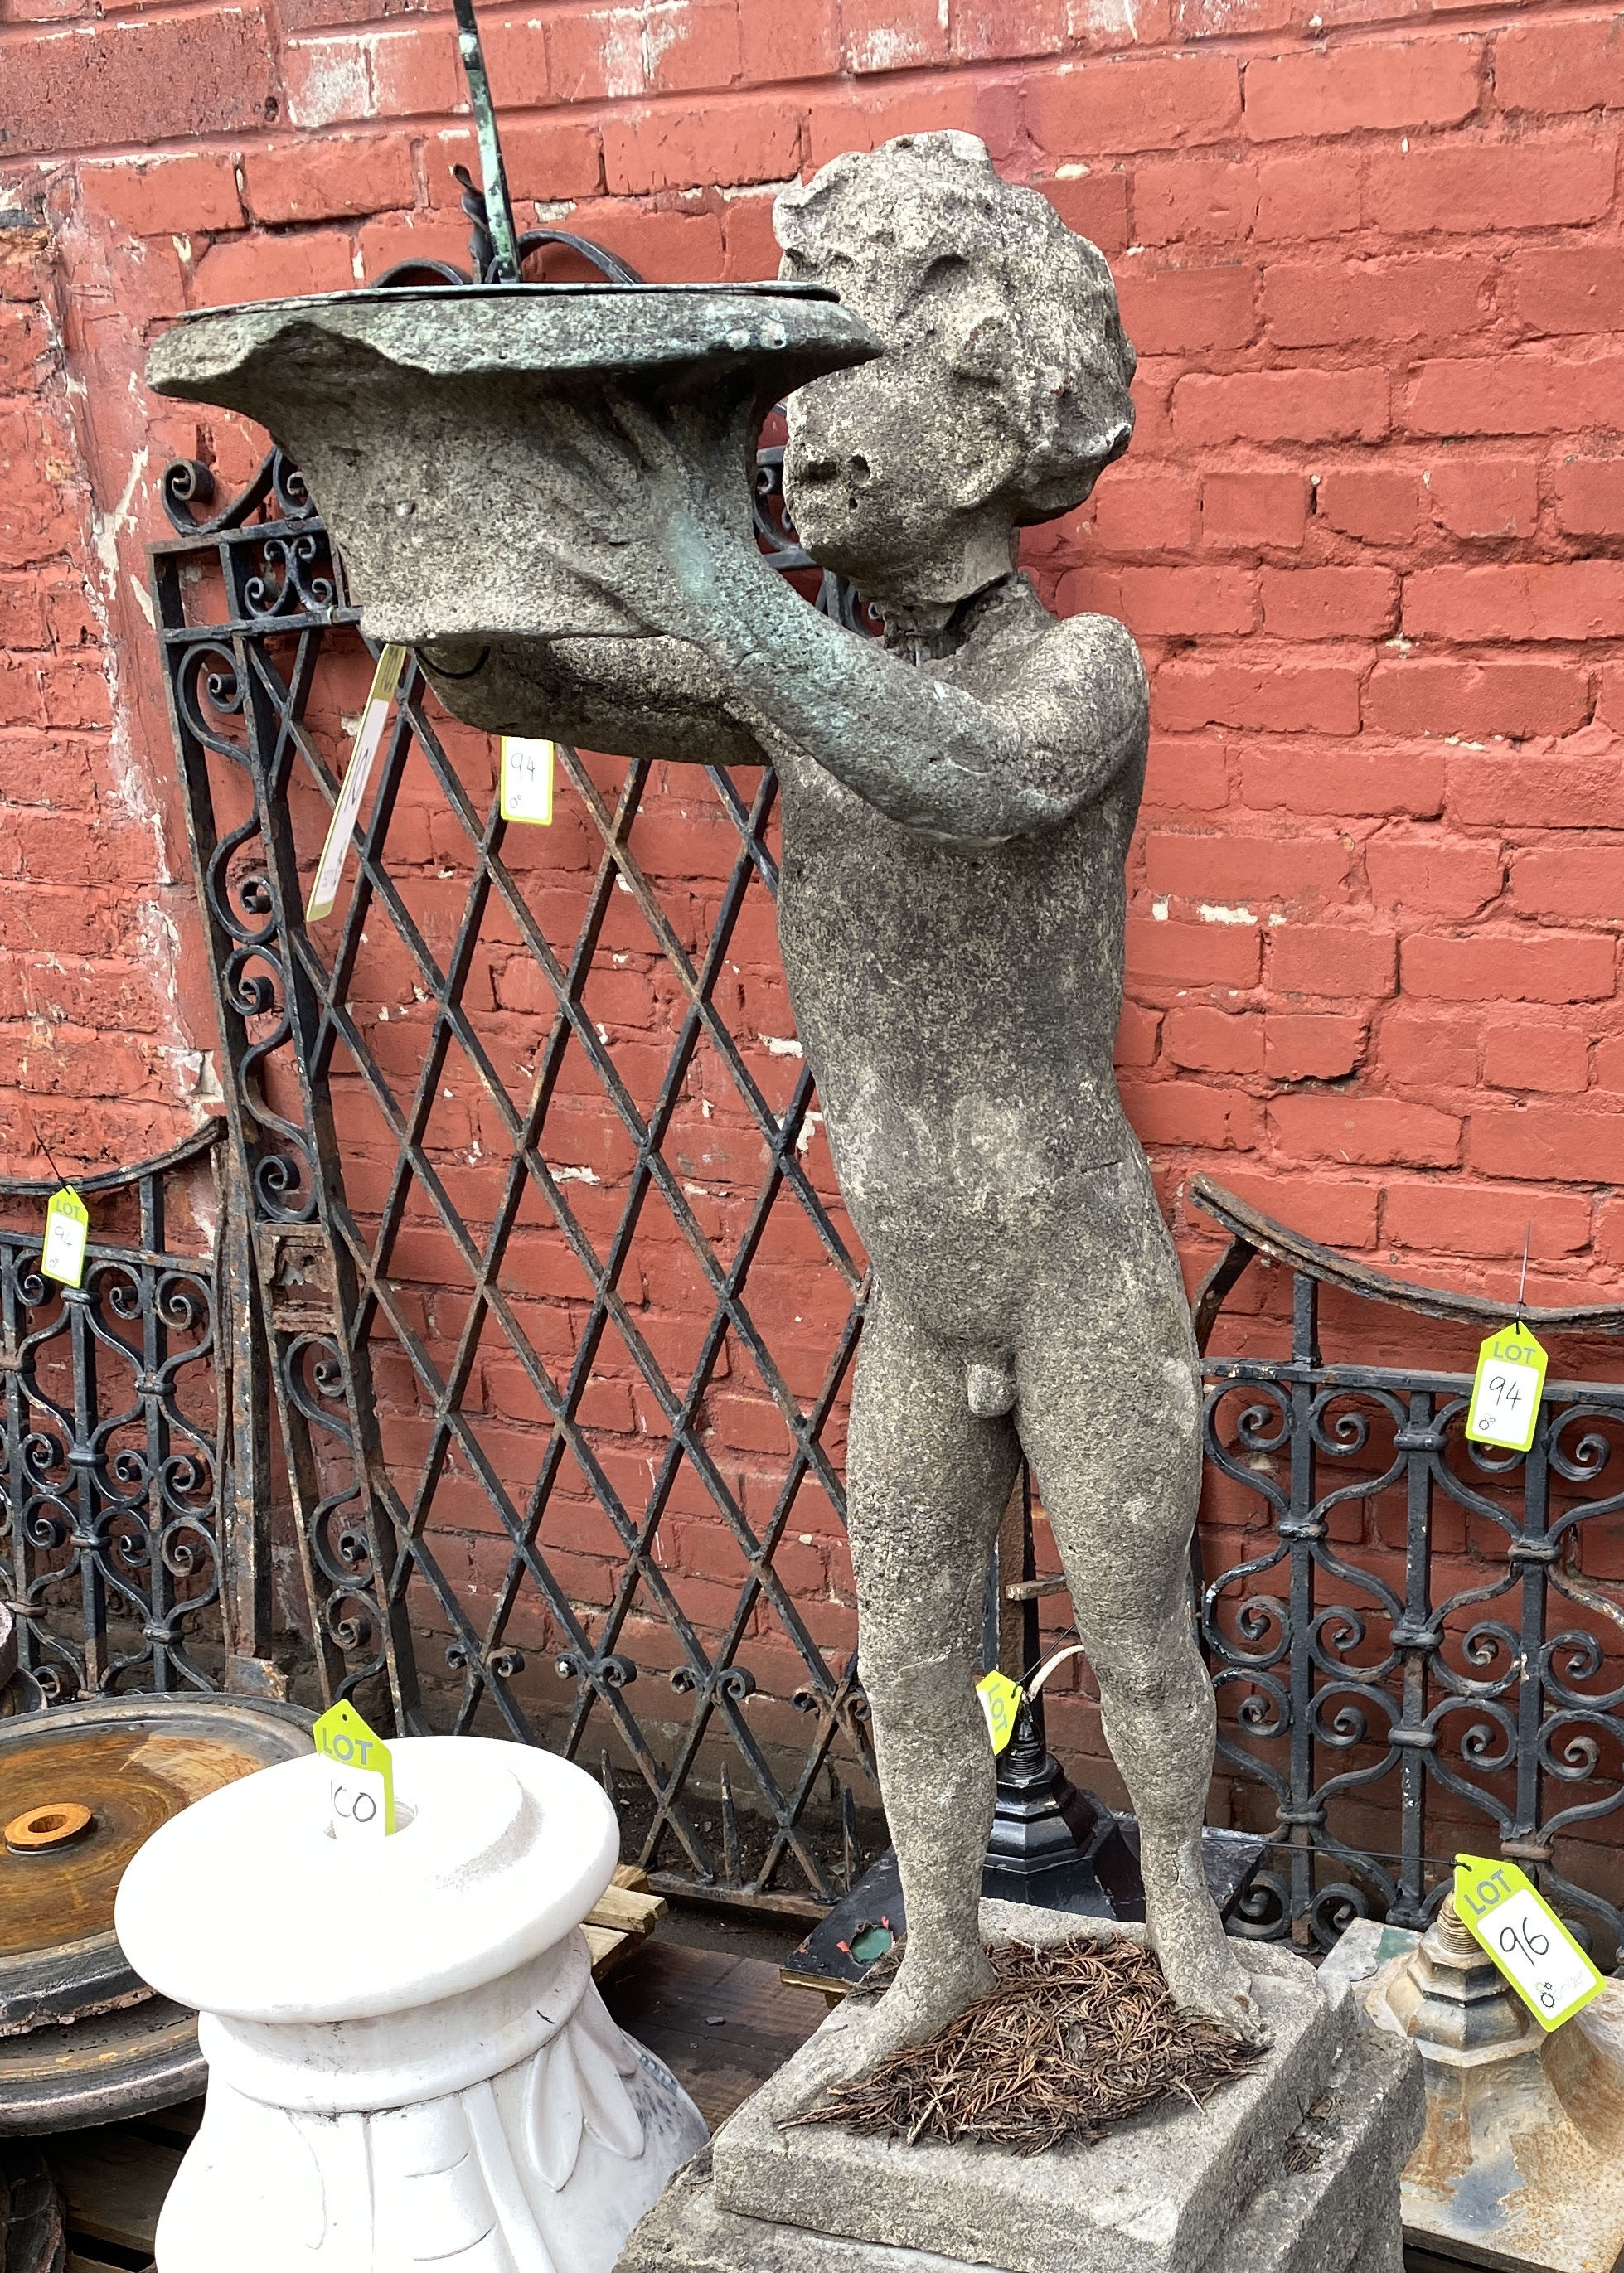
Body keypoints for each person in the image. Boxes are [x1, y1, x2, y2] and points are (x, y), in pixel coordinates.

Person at [422, 130, 1250, 2065]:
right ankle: (944, 1952)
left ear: (988, 411)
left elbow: (962, 772)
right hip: (917, 1291)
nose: (801, 430)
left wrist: (711, 580)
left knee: (1134, 1635)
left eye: (843, 371)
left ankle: (1194, 1926)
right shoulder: (792, 677)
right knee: (907, 1637)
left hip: (1072, 1269)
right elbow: (502, 678)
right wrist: (458, 544)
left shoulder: (1084, 675)